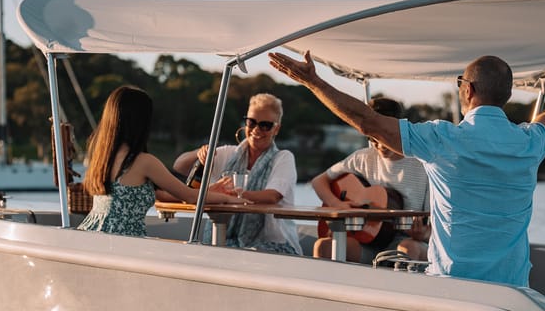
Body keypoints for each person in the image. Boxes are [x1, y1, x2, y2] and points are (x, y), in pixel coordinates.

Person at [269, 49, 545, 286]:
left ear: (467, 90)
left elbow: (366, 120)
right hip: (512, 289)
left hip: (454, 286)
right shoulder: (530, 143)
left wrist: (312, 81)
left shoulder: (442, 138)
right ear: (507, 96)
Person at [77, 86, 243, 237]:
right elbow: (189, 196)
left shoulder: (101, 158)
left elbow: (161, 194)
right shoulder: (144, 162)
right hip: (122, 243)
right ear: (140, 122)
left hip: (92, 236)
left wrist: (211, 191)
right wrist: (227, 198)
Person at [172, 93, 302, 255]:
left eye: (265, 125)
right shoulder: (229, 153)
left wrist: (228, 196)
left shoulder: (283, 158)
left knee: (231, 254)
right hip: (227, 240)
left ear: (276, 129)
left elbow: (272, 196)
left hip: (276, 243)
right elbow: (180, 166)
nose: (256, 130)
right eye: (251, 122)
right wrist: (201, 153)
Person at [312, 97, 430, 264]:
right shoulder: (363, 158)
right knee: (324, 246)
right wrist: (337, 204)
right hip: (367, 242)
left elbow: (436, 228)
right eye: (373, 138)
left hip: (406, 242)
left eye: (384, 137)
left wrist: (423, 234)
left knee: (406, 248)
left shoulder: (422, 166)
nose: (379, 144)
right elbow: (319, 181)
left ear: (397, 130)